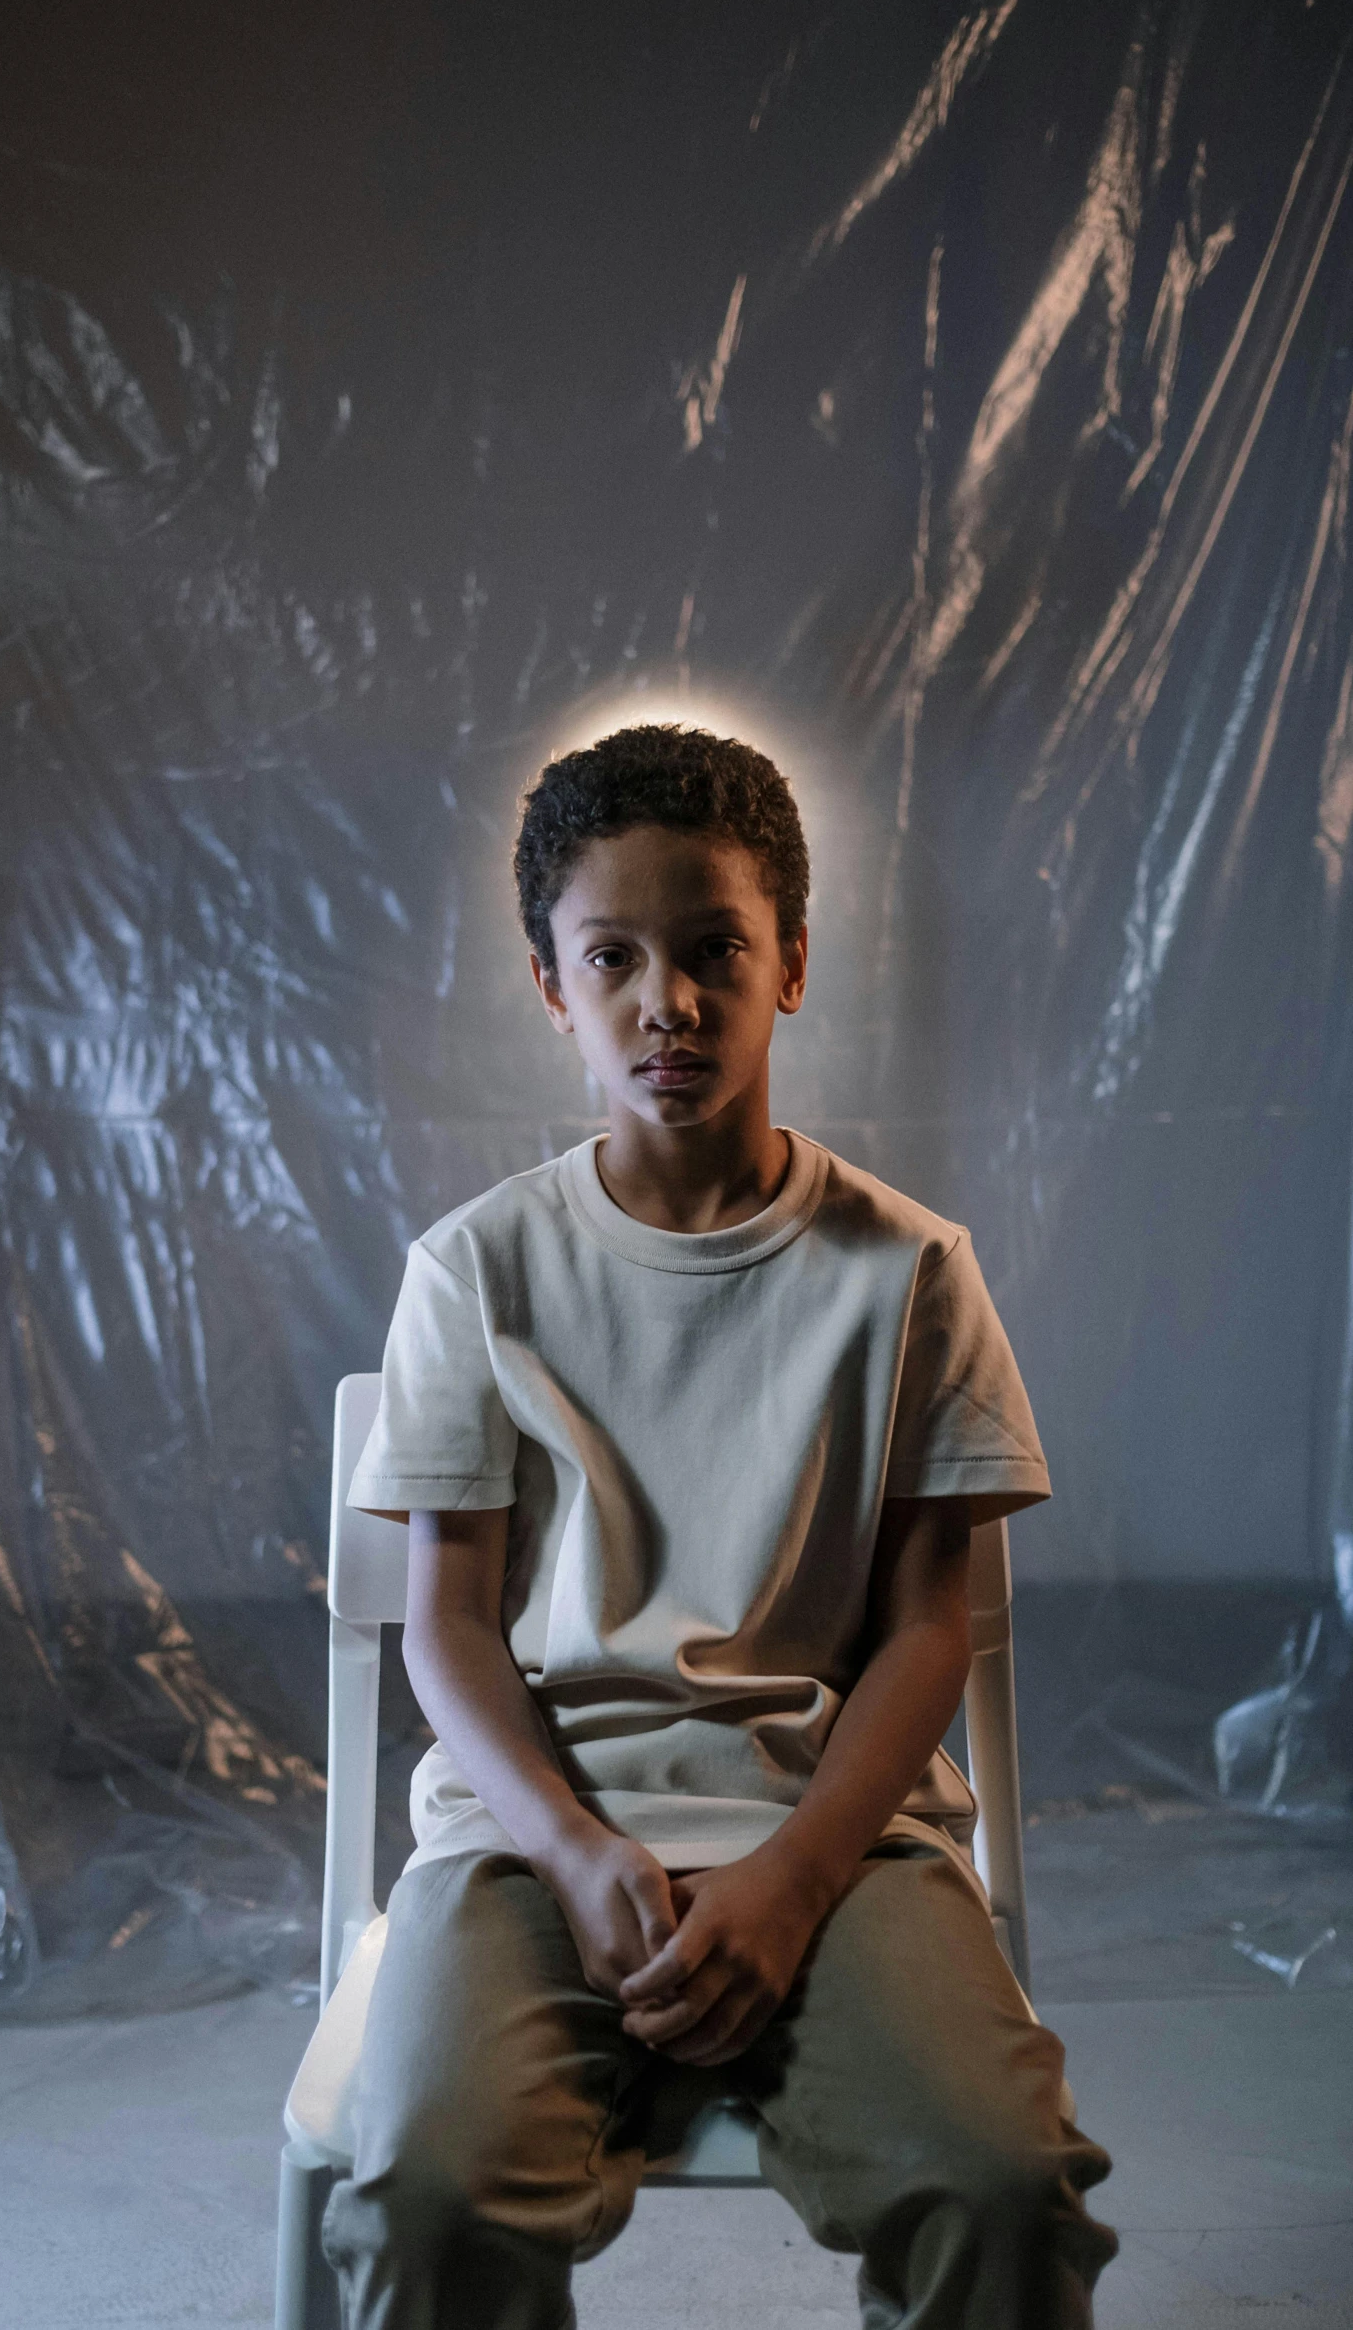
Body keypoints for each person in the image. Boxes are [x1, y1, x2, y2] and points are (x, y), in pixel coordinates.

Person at [322, 723, 1117, 2328]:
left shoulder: (908, 1272)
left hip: (831, 1833)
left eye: (713, 950)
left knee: (997, 2184)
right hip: (533, 1840)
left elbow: (922, 1629)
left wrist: (796, 1877)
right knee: (425, 2189)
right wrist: (567, 1838)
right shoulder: (475, 1273)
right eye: (609, 955)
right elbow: (449, 1623)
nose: (664, 1002)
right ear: (552, 985)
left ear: (792, 961)